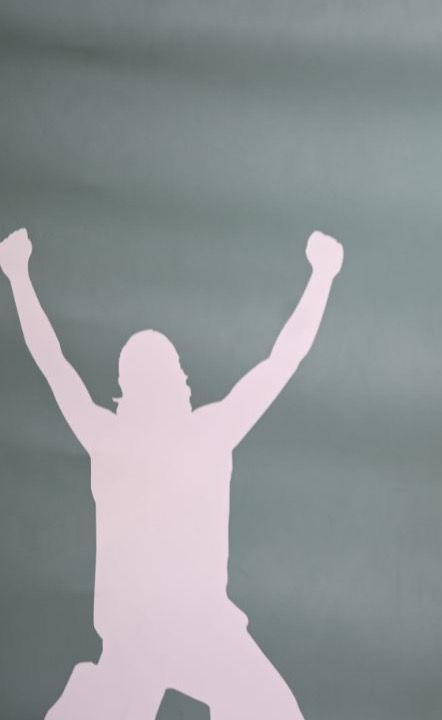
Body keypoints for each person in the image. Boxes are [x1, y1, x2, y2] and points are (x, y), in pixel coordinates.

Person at [0, 227, 342, 720]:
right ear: (159, 383)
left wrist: (18, 276)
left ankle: (90, 696)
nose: (182, 378)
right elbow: (281, 360)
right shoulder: (198, 432)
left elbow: (52, 362)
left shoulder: (114, 435)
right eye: (174, 369)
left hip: (176, 631)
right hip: (156, 634)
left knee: (271, 709)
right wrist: (322, 275)